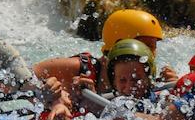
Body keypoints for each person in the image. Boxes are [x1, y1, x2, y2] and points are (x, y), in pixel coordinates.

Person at [33, 9, 175, 106]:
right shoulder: (77, 68)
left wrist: (177, 89)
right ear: (120, 44)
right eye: (146, 46)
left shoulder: (149, 82)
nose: (151, 54)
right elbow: (20, 78)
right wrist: (47, 93)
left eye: (153, 47)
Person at [71, 39, 161, 120]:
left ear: (148, 78)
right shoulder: (113, 104)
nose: (129, 86)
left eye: (136, 79)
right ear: (114, 83)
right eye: (122, 80)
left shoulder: (158, 104)